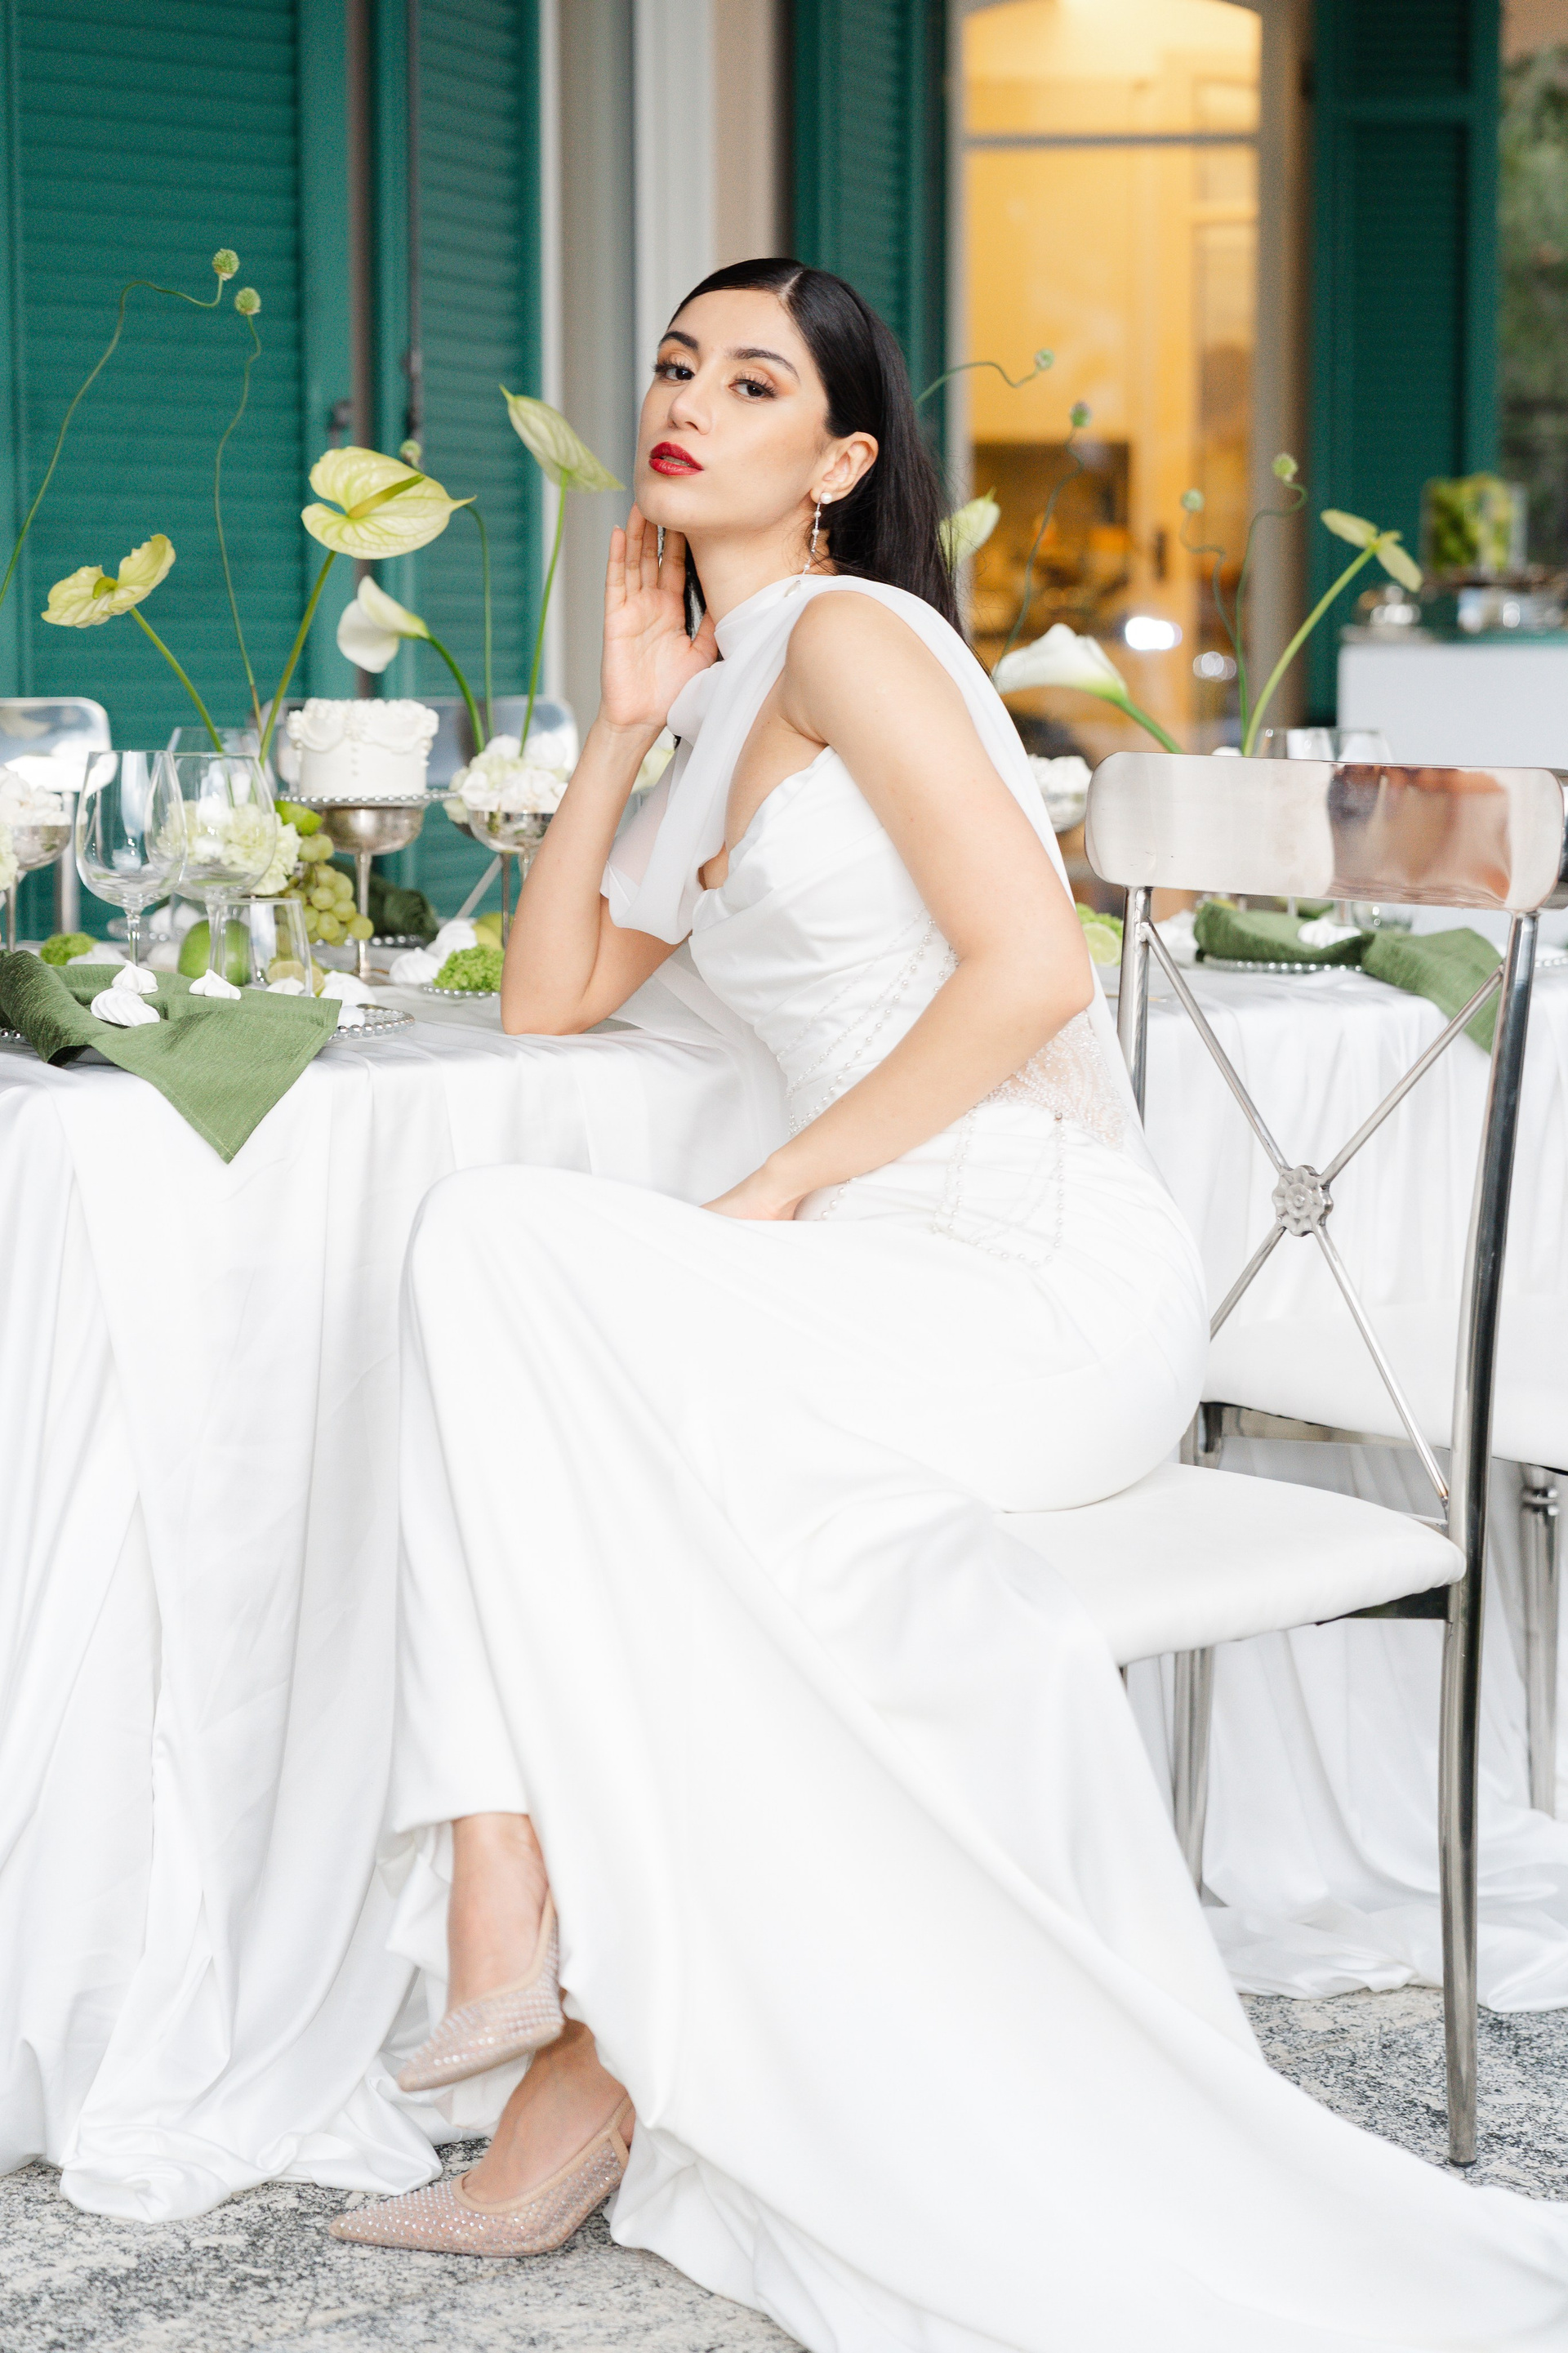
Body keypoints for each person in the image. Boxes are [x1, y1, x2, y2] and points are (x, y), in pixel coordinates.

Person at [332, 261, 1568, 2348]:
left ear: (839, 461)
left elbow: (1034, 971)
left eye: (753, 382)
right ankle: (575, 2021)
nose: (687, 400)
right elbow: (551, 995)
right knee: (545, 1338)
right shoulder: (719, 693)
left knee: (497, 1250)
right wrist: (620, 722)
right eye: (676, 365)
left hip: (1037, 1280)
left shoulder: (855, 638)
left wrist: (779, 1186)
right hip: (886, 1280)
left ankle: (515, 1899)